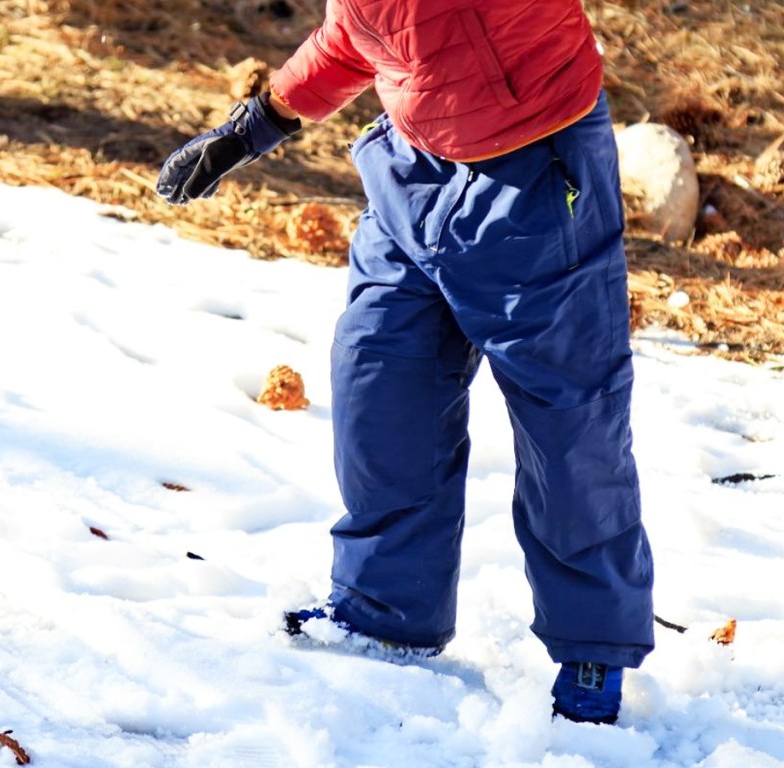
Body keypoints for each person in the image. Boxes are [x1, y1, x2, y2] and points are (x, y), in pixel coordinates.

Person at [156, 0, 654, 725]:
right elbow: (361, 29)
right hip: (414, 169)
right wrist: (253, 127)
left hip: (537, 171)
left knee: (570, 420)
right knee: (379, 373)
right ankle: (387, 607)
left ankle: (593, 643)